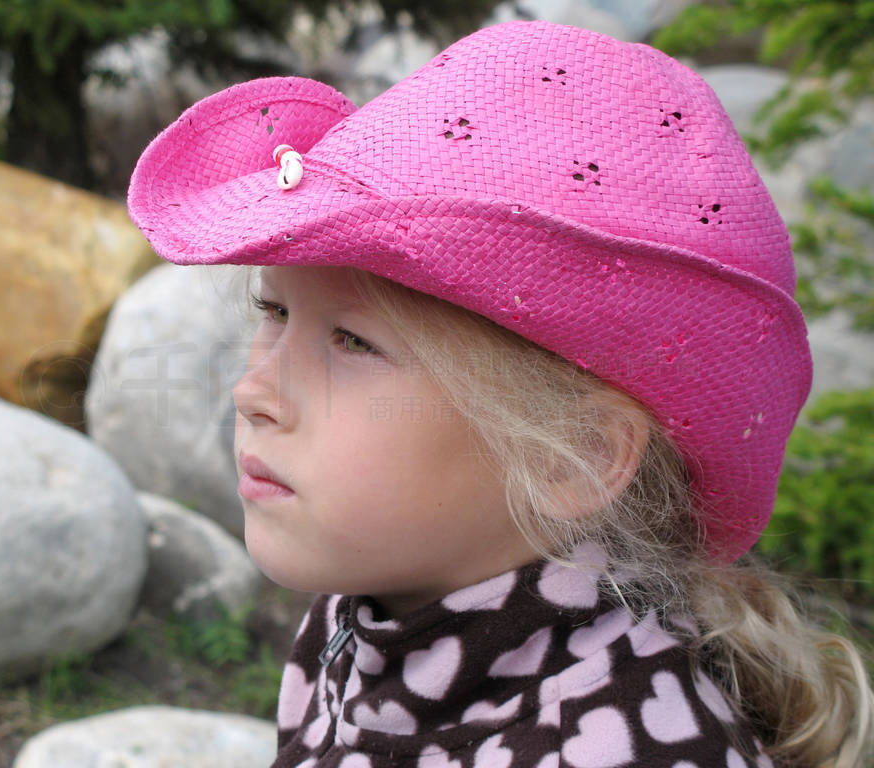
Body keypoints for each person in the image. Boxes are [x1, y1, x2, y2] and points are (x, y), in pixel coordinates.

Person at [128, 20, 873, 768]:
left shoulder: (623, 747)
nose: (255, 391)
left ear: (574, 458)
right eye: (275, 312)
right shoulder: (363, 618)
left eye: (354, 342)